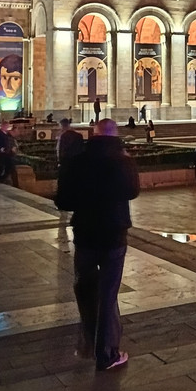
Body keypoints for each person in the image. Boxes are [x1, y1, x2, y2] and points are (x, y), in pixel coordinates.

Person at [54, 118, 139, 371]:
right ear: (116, 134)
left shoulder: (77, 160)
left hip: (85, 234)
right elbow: (133, 192)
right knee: (108, 293)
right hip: (113, 235)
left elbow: (63, 201)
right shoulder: (123, 160)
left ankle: (89, 344)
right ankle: (107, 353)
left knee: (85, 289)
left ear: (94, 133)